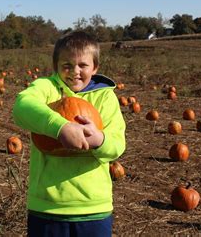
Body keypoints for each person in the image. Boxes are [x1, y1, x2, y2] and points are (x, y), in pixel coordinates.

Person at [12, 31, 126, 237]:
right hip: (46, 206)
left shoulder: (105, 98)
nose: (75, 71)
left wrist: (99, 140)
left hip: (93, 208)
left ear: (95, 67)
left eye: (83, 65)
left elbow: (117, 145)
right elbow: (21, 107)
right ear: (56, 66)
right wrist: (60, 127)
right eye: (66, 65)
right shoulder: (46, 88)